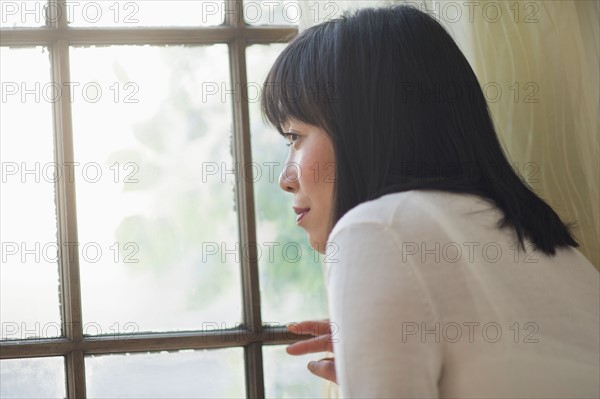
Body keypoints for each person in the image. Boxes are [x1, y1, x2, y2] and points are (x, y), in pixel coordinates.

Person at [260, 5, 600, 398]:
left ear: (364, 129)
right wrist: (381, 358)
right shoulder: (549, 244)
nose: (285, 179)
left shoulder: (376, 230)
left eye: (295, 136)